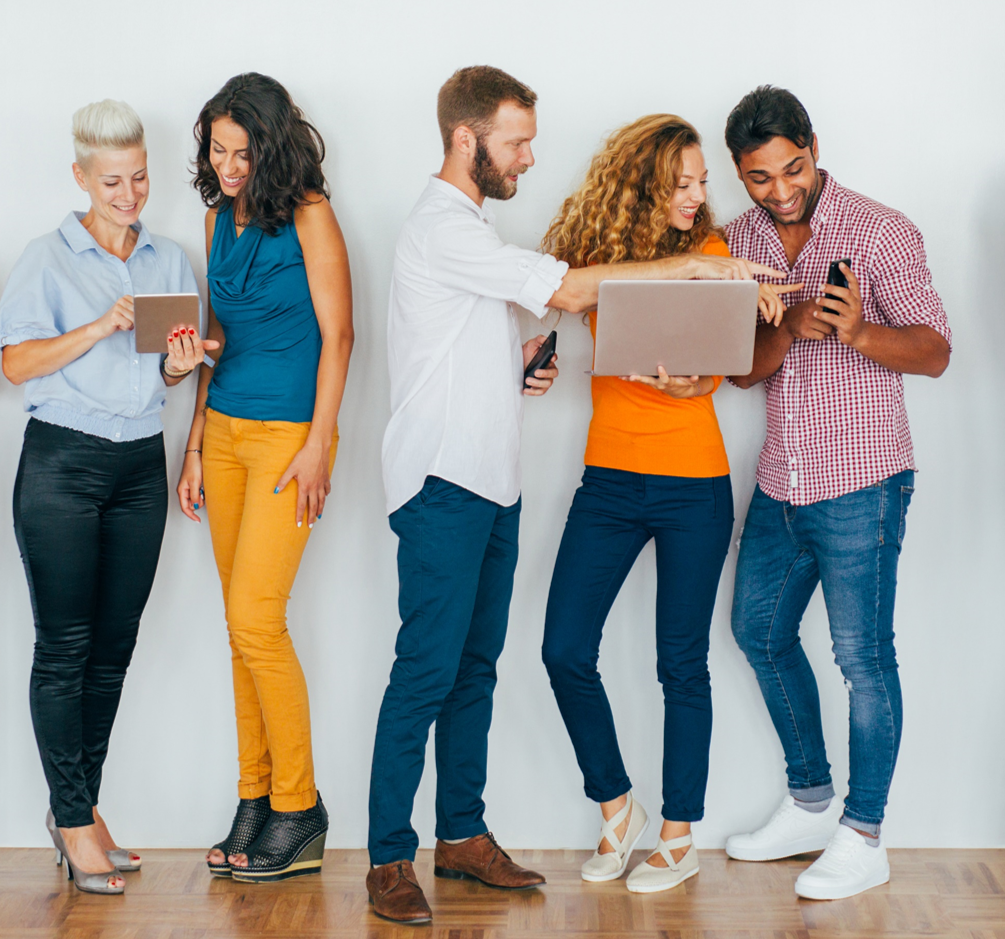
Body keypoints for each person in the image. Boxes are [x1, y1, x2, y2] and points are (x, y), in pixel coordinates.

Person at [364, 67, 780, 925]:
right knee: (426, 672)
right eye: (515, 141)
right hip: (443, 483)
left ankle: (462, 835)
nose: (527, 156)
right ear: (465, 140)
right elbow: (565, 288)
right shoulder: (442, 226)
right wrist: (697, 271)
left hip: (493, 486)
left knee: (474, 670)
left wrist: (515, 370)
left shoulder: (472, 231)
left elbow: (474, 341)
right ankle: (385, 858)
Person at [538, 115, 795, 895]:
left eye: (701, 182)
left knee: (679, 663)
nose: (694, 195)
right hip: (608, 480)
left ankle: (677, 833)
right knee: (562, 648)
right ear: (643, 184)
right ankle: (617, 805)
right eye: (679, 183)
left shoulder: (717, 256)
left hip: (693, 483)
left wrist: (695, 381)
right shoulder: (592, 256)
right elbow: (548, 305)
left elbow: (713, 368)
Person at [720, 86, 950, 901]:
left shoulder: (881, 230)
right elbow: (739, 369)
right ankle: (811, 800)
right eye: (758, 178)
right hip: (781, 478)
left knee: (861, 658)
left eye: (792, 168)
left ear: (813, 146)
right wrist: (786, 329)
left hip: (863, 480)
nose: (779, 191)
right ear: (737, 174)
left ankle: (864, 833)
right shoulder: (734, 242)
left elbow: (933, 352)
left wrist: (855, 330)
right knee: (757, 631)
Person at [0, 100, 210, 896]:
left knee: (113, 650)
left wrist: (179, 368)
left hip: (138, 465)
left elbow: (159, 370)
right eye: (112, 180)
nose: (129, 193)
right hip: (61, 463)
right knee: (63, 647)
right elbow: (15, 365)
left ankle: (77, 807)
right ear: (80, 177)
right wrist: (95, 326)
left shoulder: (167, 259)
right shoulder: (43, 258)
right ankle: (73, 817)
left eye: (141, 176)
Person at [174, 73, 354, 884]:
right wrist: (193, 442)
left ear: (273, 146)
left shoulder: (311, 214)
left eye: (244, 150)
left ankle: (300, 805)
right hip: (226, 435)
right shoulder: (216, 218)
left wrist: (320, 443)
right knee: (238, 628)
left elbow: (340, 335)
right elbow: (214, 341)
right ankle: (254, 799)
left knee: (256, 621)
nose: (230, 163)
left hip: (289, 438)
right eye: (218, 149)